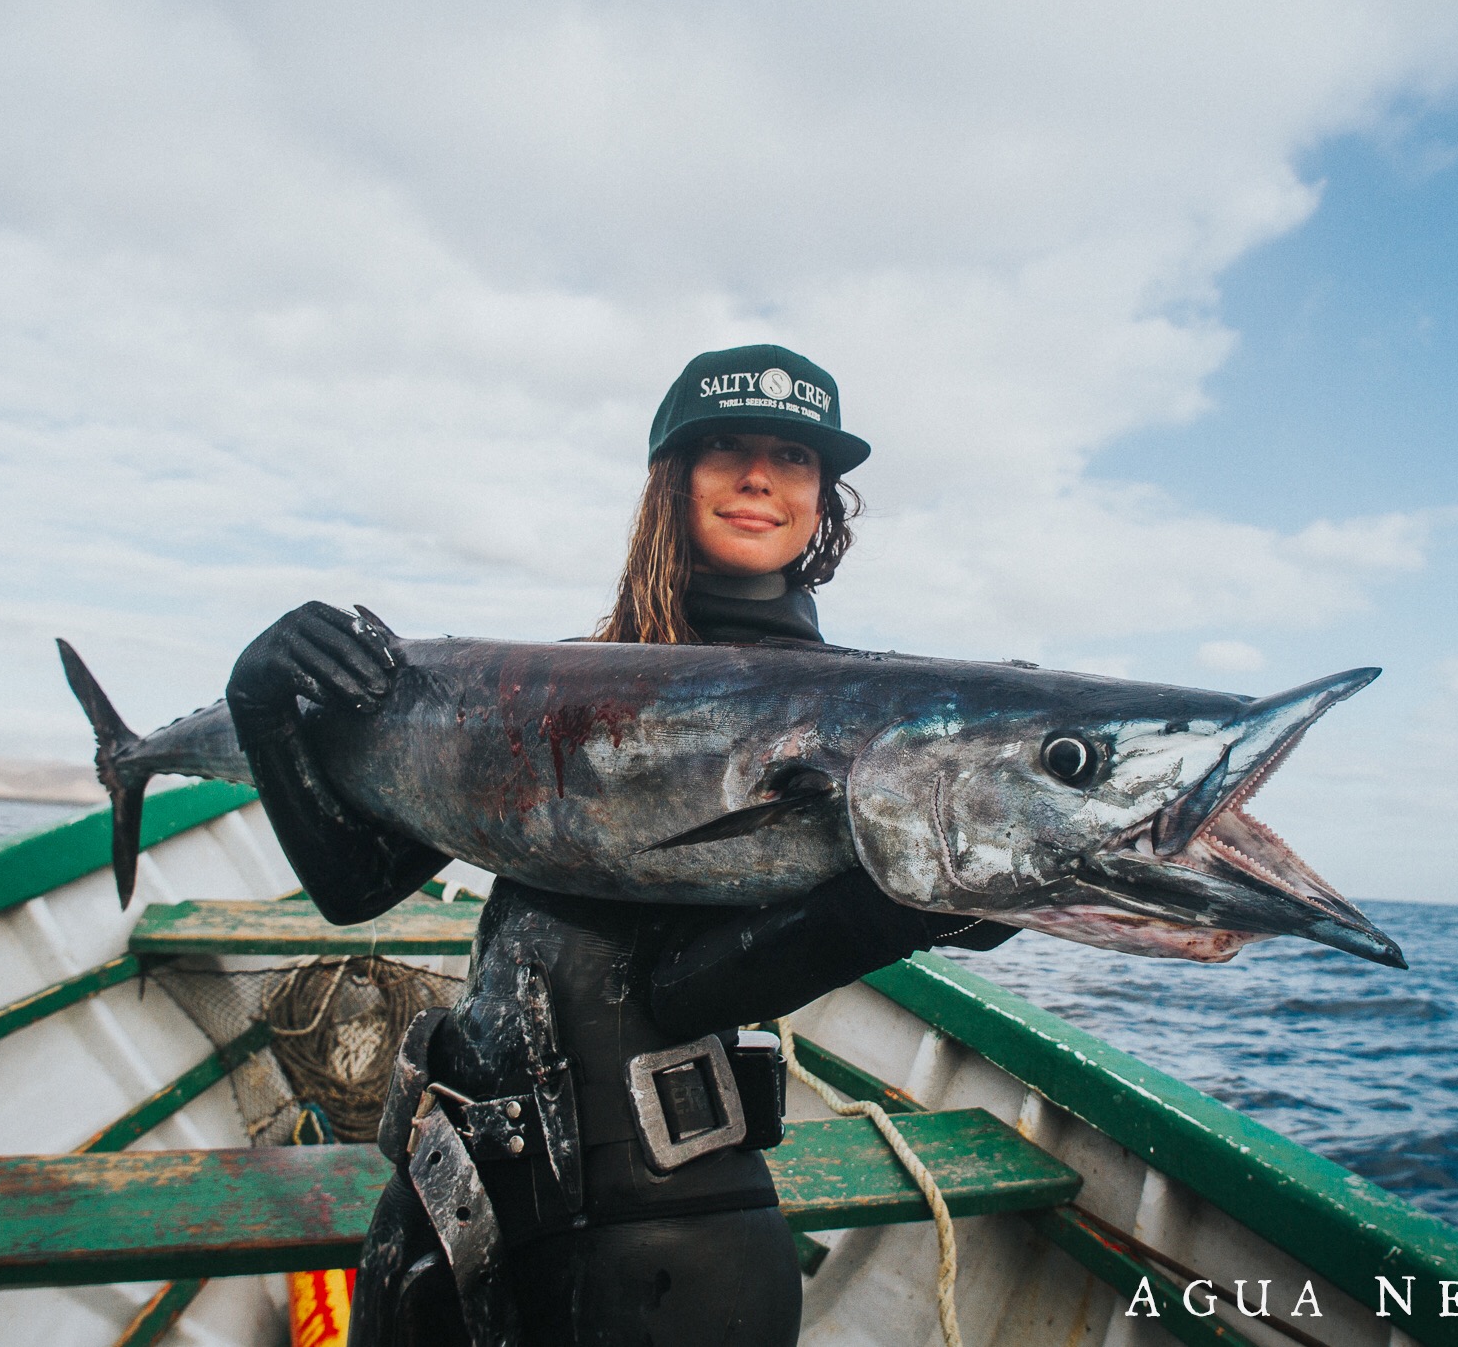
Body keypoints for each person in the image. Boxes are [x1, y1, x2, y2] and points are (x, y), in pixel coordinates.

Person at [225, 344, 1016, 1347]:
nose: (760, 477)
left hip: (661, 1255)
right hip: (438, 1204)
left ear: (823, 499)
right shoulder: (547, 693)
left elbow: (684, 995)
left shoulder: (855, 736)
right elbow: (356, 887)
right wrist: (263, 705)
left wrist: (924, 896)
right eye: (725, 447)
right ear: (671, 479)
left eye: (794, 457)